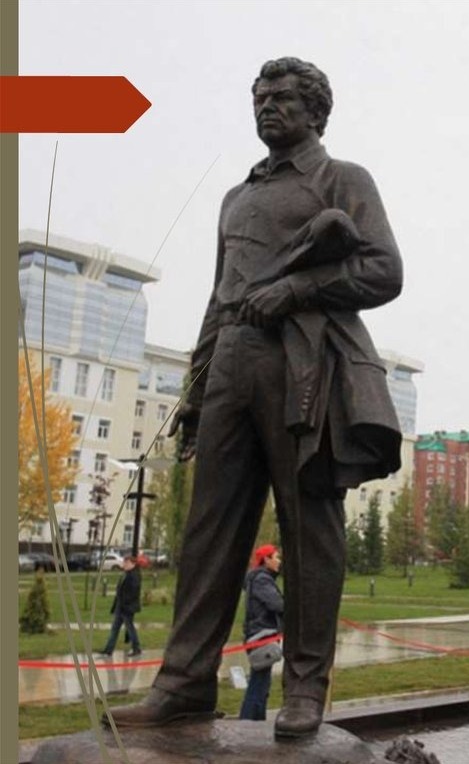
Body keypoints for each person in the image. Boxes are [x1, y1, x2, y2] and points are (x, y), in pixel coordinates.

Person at [107, 57, 403, 738]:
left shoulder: (342, 179)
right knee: (208, 533)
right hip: (231, 365)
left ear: (316, 111)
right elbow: (219, 297)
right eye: (260, 97)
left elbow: (384, 270)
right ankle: (183, 684)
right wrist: (194, 390)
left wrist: (297, 288)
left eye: (283, 97)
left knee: (309, 529)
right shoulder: (236, 199)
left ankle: (305, 689)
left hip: (301, 364)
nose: (267, 106)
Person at [240, 544, 284, 721]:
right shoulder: (262, 580)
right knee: (258, 686)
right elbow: (277, 604)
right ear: (266, 559)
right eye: (276, 557)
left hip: (259, 635)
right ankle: (248, 723)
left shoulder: (256, 578)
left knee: (261, 684)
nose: (279, 561)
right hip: (262, 636)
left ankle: (257, 722)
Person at [97, 555, 142, 657]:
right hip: (120, 607)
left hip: (127, 608)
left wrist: (125, 602)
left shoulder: (134, 575)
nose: (124, 564)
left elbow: (133, 592)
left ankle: (136, 648)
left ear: (133, 564)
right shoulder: (125, 574)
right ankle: (108, 650)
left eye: (127, 563)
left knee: (130, 628)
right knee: (115, 629)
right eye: (124, 562)